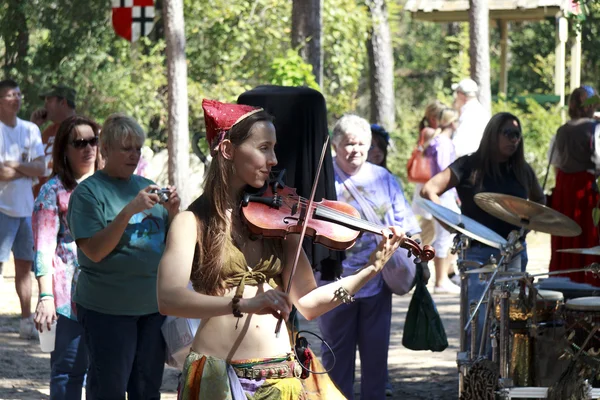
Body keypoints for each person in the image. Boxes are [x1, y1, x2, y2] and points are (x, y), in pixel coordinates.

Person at [156, 100, 407, 400]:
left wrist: (371, 269)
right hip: (218, 379)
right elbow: (168, 299)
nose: (274, 159)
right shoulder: (191, 222)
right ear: (228, 151)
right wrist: (243, 304)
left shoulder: (279, 221)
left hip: (280, 377)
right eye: (264, 148)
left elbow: (310, 304)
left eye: (274, 148)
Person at [67, 113, 180, 399]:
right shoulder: (88, 193)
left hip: (152, 309)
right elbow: (94, 251)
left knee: (146, 389)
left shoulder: (147, 184)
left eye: (137, 148)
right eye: (126, 148)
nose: (134, 155)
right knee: (109, 389)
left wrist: (175, 213)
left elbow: (171, 244)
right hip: (107, 310)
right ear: (105, 151)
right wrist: (130, 210)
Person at [421, 112, 545, 353]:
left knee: (513, 320)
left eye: (518, 135)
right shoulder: (468, 166)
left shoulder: (522, 170)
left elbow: (539, 202)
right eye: (508, 133)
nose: (514, 140)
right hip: (477, 254)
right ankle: (477, 383)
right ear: (493, 134)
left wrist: (527, 227)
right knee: (479, 321)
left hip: (514, 254)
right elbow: (429, 190)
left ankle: (505, 380)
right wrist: (450, 224)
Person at [319, 114, 422, 400]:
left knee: (376, 361)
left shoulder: (383, 177)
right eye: (349, 144)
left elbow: (405, 220)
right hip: (334, 281)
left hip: (377, 279)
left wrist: (412, 241)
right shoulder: (323, 176)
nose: (356, 150)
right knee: (335, 360)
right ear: (336, 145)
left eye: (361, 144)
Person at [33, 116, 100, 399]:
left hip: (109, 295)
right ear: (65, 149)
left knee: (104, 372)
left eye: (93, 140)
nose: (88, 148)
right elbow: (43, 249)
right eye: (79, 143)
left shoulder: (110, 186)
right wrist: (46, 296)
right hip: (66, 299)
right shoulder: (53, 191)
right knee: (68, 371)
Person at [0, 79, 45, 339]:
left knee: (25, 267)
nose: (16, 99)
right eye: (9, 95)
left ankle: (26, 320)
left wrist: (13, 165)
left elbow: (40, 169)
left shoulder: (30, 130)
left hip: (25, 209)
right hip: (2, 208)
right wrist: (24, 167)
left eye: (18, 94)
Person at [549, 86, 600, 286]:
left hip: (565, 192)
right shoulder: (595, 130)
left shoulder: (561, 131)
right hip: (587, 192)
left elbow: (556, 165)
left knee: (567, 236)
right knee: (588, 237)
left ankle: (566, 280)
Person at [423, 107, 461, 294]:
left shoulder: (437, 142)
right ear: (452, 122)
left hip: (442, 194)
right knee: (445, 235)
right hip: (443, 194)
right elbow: (445, 172)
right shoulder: (444, 143)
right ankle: (441, 279)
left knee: (447, 235)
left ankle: (443, 277)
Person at [30, 84, 77, 198]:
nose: (45, 105)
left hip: (64, 201)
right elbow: (27, 157)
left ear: (63, 103)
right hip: (39, 202)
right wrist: (33, 126)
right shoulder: (48, 131)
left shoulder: (81, 130)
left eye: (49, 100)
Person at [411, 101, 447, 247]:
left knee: (431, 227)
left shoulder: (428, 131)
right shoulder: (430, 132)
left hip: (429, 183)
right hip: (427, 183)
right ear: (433, 118)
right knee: (427, 227)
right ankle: (417, 256)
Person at [451, 78, 490, 158]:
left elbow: (459, 144)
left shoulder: (468, 113)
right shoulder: (481, 111)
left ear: (461, 94)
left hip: (467, 161)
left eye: (457, 93)